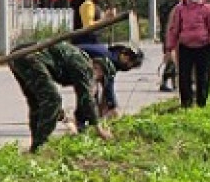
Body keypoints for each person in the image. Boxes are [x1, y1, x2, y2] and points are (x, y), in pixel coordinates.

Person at [11, 41, 140, 152]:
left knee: (37, 102)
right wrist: (99, 129)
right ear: (98, 68)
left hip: (19, 55)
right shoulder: (84, 67)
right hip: (30, 56)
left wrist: (63, 117)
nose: (96, 81)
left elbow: (85, 98)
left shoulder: (80, 63)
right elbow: (86, 99)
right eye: (99, 78)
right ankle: (39, 147)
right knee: (53, 100)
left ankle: (36, 145)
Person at [165, 0, 210, 108]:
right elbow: (174, 30)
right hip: (186, 47)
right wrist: (169, 49)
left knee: (203, 77)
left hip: (204, 47)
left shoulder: (208, 8)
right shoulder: (180, 9)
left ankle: (202, 103)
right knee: (184, 77)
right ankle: (186, 104)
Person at [71, 0, 123, 117]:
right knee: (109, 65)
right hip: (84, 43)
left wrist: (107, 19)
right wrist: (105, 19)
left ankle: (102, 106)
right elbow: (88, 26)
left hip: (92, 43)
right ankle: (110, 106)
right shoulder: (87, 3)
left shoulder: (93, 4)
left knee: (101, 73)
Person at [156, 0, 185, 91]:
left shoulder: (164, 5)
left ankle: (174, 84)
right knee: (174, 60)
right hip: (176, 35)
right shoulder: (180, 5)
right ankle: (165, 82)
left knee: (171, 58)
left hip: (165, 34)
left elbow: (161, 20)